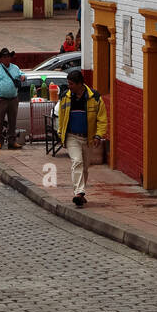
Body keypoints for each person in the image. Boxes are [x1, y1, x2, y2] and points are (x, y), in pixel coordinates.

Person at [55, 68, 108, 207]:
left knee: (84, 167)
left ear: (80, 84)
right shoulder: (65, 96)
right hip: (72, 136)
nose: (69, 87)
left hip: (88, 138)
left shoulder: (95, 97)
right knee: (77, 162)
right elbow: (61, 117)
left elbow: (102, 119)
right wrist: (61, 134)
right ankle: (79, 193)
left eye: (71, 84)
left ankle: (80, 192)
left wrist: (98, 135)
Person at [0, 48, 25, 149]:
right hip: (0, 99)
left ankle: (12, 141)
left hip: (13, 98)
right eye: (4, 57)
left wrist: (23, 77)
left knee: (13, 121)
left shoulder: (15, 68)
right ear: (0, 59)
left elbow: (22, 74)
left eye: (8, 56)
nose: (7, 58)